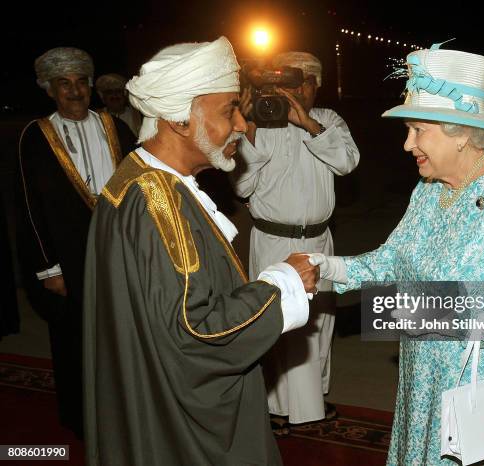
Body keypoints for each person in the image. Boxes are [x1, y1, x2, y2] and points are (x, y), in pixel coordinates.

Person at [309, 43, 484, 465]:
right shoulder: (428, 192)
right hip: (421, 380)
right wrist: (324, 266)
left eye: (419, 130)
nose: (407, 145)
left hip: (473, 390)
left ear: (460, 135)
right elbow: (393, 258)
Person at [83, 36, 319, 466]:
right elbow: (197, 334)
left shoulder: (137, 178)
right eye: (229, 109)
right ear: (178, 119)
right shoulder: (160, 204)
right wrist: (282, 283)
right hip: (182, 428)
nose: (244, 125)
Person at [233, 51, 360, 433]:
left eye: (302, 82)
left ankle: (313, 399)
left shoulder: (329, 121)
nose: (293, 90)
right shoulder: (258, 122)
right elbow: (240, 186)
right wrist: (250, 128)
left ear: (315, 85)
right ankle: (276, 407)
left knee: (319, 323)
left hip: (320, 239)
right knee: (277, 321)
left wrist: (307, 125)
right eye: (288, 82)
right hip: (272, 240)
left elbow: (347, 162)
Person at [16, 46, 135, 437]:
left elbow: (143, 188)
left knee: (124, 331)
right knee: (75, 340)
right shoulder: (36, 136)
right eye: (63, 84)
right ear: (49, 90)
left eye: (80, 82)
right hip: (68, 257)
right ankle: (83, 418)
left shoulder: (115, 127)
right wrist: (49, 268)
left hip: (120, 250)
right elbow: (29, 207)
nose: (74, 91)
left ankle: (127, 410)